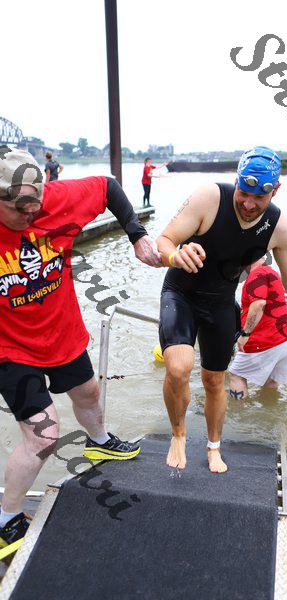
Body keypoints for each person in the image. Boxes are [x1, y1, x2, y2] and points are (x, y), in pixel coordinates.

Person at [0, 146, 161, 549]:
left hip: (62, 332)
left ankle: (100, 443)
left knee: (88, 392)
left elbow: (108, 186)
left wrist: (138, 236)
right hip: (10, 350)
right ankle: (6, 519)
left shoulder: (58, 200)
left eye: (36, 207)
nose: (30, 216)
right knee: (44, 436)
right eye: (20, 210)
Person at [156, 146, 287, 474]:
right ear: (236, 180)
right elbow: (164, 240)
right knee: (179, 367)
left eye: (260, 197)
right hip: (181, 294)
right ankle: (178, 433)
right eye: (244, 192)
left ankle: (213, 447)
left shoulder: (281, 228)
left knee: (215, 380)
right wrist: (174, 256)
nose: (249, 204)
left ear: (275, 190)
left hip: (220, 303)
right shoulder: (209, 198)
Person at [228, 260, 287, 398]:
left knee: (236, 375)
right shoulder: (273, 273)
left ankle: (238, 410)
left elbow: (259, 304)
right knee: (270, 381)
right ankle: (269, 410)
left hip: (268, 339)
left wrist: (245, 334)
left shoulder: (257, 273)